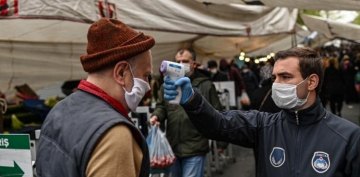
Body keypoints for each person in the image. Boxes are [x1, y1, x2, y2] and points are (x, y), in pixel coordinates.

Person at [163, 47, 360, 176]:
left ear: (311, 82)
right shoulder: (264, 125)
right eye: (275, 77)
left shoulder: (348, 136)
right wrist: (192, 100)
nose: (277, 84)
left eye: (285, 77)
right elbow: (218, 125)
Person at [36, 18, 155, 177]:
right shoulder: (115, 135)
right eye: (145, 75)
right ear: (121, 73)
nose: (148, 85)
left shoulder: (59, 109)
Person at [150, 48, 222, 177]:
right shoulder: (168, 85)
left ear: (194, 64)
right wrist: (157, 115)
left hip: (195, 147)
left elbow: (218, 113)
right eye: (178, 61)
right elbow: (162, 106)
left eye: (185, 61)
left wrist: (222, 142)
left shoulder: (205, 85)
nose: (181, 64)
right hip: (173, 146)